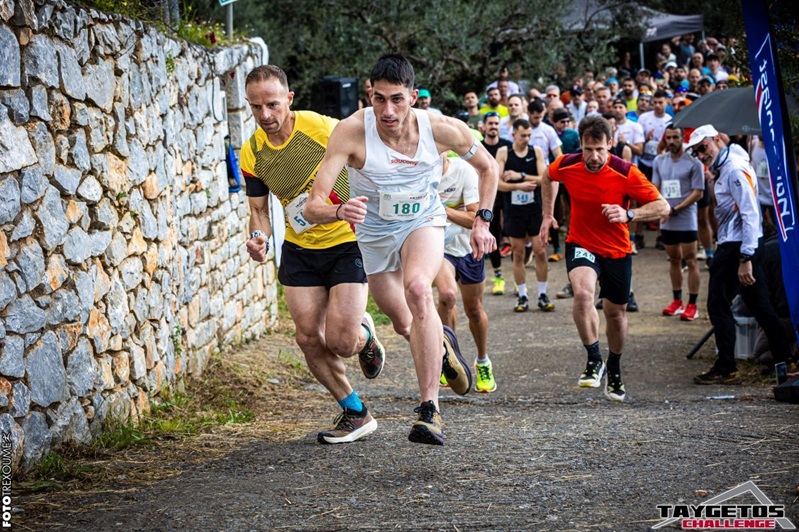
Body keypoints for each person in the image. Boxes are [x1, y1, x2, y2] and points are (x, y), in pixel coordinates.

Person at [305, 54, 499, 445]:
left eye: (396, 99)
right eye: (379, 99)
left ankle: (430, 410)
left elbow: (489, 168)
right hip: (374, 235)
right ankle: (441, 346)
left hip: (422, 221)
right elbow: (312, 206)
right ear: (369, 95)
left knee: (419, 291)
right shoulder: (351, 132)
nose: (388, 110)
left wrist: (483, 220)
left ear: (413, 97)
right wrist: (340, 210)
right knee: (404, 323)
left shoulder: (442, 129)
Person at [240, 65, 385, 444]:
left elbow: (371, 158)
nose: (265, 115)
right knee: (307, 338)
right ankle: (355, 412)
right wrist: (258, 237)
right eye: (255, 107)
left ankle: (364, 334)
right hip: (300, 248)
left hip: (347, 241)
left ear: (289, 99)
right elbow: (258, 210)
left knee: (341, 342)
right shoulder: (252, 153)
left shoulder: (322, 128)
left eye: (272, 104)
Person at [539, 115, 669, 402]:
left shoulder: (626, 172)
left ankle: (615, 366)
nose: (594, 157)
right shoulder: (568, 164)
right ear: (581, 145)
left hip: (617, 249)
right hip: (581, 241)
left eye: (600, 149)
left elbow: (663, 207)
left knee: (615, 313)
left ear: (610, 144)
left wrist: (629, 214)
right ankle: (594, 357)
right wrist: (547, 215)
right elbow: (547, 176)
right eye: (588, 149)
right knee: (583, 294)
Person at [686, 125, 792, 385]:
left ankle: (727, 367)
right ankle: (784, 360)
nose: (701, 154)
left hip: (737, 246)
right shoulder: (729, 163)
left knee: (718, 305)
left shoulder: (733, 168)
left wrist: (745, 257)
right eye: (696, 152)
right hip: (741, 244)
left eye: (703, 147)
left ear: (716, 140)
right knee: (760, 306)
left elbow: (750, 212)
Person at [435, 155, 496, 393]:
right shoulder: (418, 172)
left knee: (474, 310)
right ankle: (449, 359)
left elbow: (474, 218)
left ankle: (483, 361)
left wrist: (441, 210)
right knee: (446, 297)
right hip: (440, 249)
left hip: (469, 248)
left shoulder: (463, 171)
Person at [496, 119, 551, 312]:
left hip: (534, 209)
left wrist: (520, 176)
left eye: (529, 135)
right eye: (522, 136)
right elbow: (498, 184)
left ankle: (543, 294)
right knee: (517, 254)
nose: (526, 139)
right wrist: (518, 186)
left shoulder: (536, 151)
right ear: (513, 135)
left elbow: (544, 178)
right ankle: (522, 295)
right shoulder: (504, 153)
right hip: (514, 211)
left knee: (540, 251)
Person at [652, 124, 705, 321]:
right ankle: (677, 301)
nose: (672, 141)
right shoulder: (659, 160)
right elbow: (655, 187)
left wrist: (675, 209)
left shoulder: (693, 162)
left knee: (690, 259)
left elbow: (698, 193)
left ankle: (693, 304)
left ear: (683, 138)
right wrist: (661, 208)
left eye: (675, 137)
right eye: (668, 138)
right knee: (673, 259)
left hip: (685, 217)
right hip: (667, 217)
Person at [481, 111, 514, 295]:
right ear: (484, 126)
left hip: (507, 196)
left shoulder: (507, 146)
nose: (493, 127)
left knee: (513, 236)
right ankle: (498, 277)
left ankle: (518, 279)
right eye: (490, 123)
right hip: (488, 197)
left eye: (496, 123)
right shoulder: (479, 147)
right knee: (493, 235)